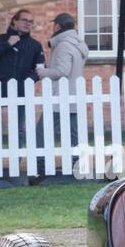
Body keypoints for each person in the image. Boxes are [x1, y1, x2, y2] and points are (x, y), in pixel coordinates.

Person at [33, 12, 89, 181]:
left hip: (60, 98)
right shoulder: (78, 44)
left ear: (57, 26)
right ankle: (75, 168)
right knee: (73, 135)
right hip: (73, 97)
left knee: (42, 133)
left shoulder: (63, 45)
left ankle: (41, 169)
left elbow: (62, 71)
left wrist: (42, 72)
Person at [0, 8, 45, 147]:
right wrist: (7, 44)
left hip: (21, 92)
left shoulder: (35, 45)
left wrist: (27, 81)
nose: (28, 23)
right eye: (24, 20)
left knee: (18, 128)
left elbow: (40, 69)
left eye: (31, 21)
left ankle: (16, 162)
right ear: (14, 21)